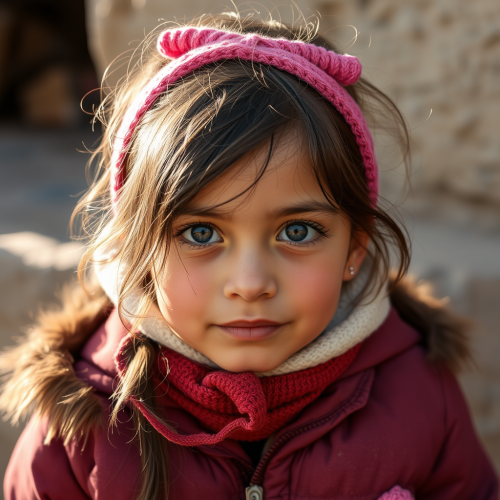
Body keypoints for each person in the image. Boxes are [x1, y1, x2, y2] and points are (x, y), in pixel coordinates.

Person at [0, 14, 497, 500]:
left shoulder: (421, 396)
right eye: (200, 233)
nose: (250, 282)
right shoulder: (80, 419)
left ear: (356, 246)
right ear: (139, 249)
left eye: (297, 231)